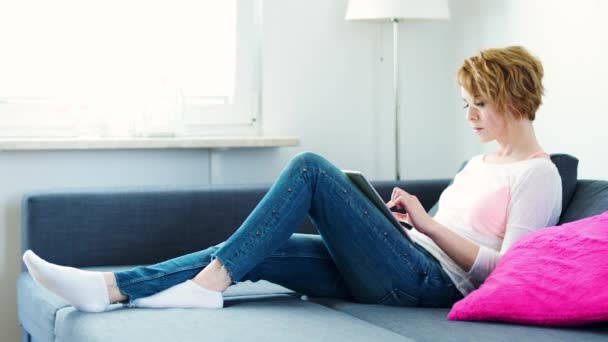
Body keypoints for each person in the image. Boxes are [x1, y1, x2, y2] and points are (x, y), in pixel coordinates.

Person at [22, 46, 562, 313]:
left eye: (480, 104)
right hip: (405, 258)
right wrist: (408, 224)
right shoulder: (478, 164)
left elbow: (509, 273)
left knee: (309, 169)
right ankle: (110, 288)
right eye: (465, 104)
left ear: (514, 97)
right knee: (251, 249)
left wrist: (429, 226)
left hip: (427, 285)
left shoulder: (539, 175)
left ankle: (206, 288)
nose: (469, 116)